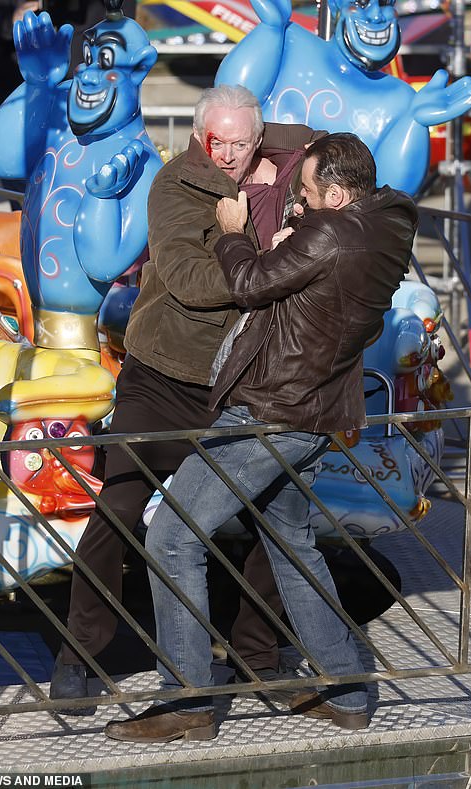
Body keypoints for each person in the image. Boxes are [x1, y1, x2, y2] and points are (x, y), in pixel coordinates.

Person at [103, 132, 418, 743]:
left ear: (335, 192)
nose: (298, 202)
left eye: (306, 193)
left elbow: (248, 284)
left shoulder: (330, 234)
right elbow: (312, 287)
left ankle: (186, 700)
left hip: (269, 415)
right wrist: (298, 233)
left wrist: (234, 231)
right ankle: (348, 689)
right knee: (290, 540)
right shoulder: (380, 230)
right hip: (315, 414)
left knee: (171, 534)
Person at [50, 84, 324, 712]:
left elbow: (322, 148)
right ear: (201, 136)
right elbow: (191, 280)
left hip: (240, 381)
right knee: (121, 503)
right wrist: (268, 267)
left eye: (240, 141)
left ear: (259, 140)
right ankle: (79, 654)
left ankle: (258, 656)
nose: (225, 153)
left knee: (280, 512)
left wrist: (290, 147)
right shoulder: (177, 185)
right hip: (164, 372)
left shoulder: (287, 164)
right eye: (214, 140)